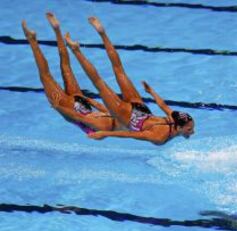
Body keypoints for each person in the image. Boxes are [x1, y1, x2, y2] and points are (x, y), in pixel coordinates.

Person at [64, 16, 194, 145]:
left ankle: (102, 33)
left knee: (119, 69)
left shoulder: (173, 116)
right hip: (127, 116)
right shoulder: (160, 136)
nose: (192, 132)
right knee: (98, 82)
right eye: (189, 129)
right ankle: (75, 50)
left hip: (141, 107)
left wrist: (151, 92)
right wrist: (105, 133)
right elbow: (130, 134)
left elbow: (163, 106)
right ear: (178, 127)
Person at [21, 13, 123, 134]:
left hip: (82, 102)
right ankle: (32, 40)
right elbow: (79, 117)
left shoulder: (114, 116)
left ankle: (57, 30)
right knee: (45, 75)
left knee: (66, 66)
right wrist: (58, 107)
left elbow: (99, 106)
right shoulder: (105, 127)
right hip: (70, 107)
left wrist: (85, 98)